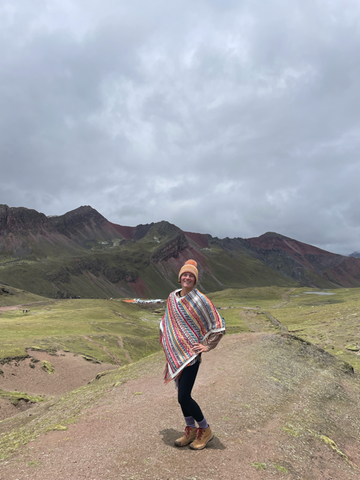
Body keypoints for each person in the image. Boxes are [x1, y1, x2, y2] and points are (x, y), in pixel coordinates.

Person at [159, 259, 226, 450]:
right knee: (181, 395)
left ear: (195, 280)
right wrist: (167, 341)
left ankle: (205, 430)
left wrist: (207, 346)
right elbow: (167, 322)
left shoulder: (200, 300)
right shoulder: (172, 297)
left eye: (191, 276)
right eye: (185, 275)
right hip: (176, 356)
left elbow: (218, 323)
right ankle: (190, 429)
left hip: (191, 356)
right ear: (180, 277)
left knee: (184, 397)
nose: (187, 278)